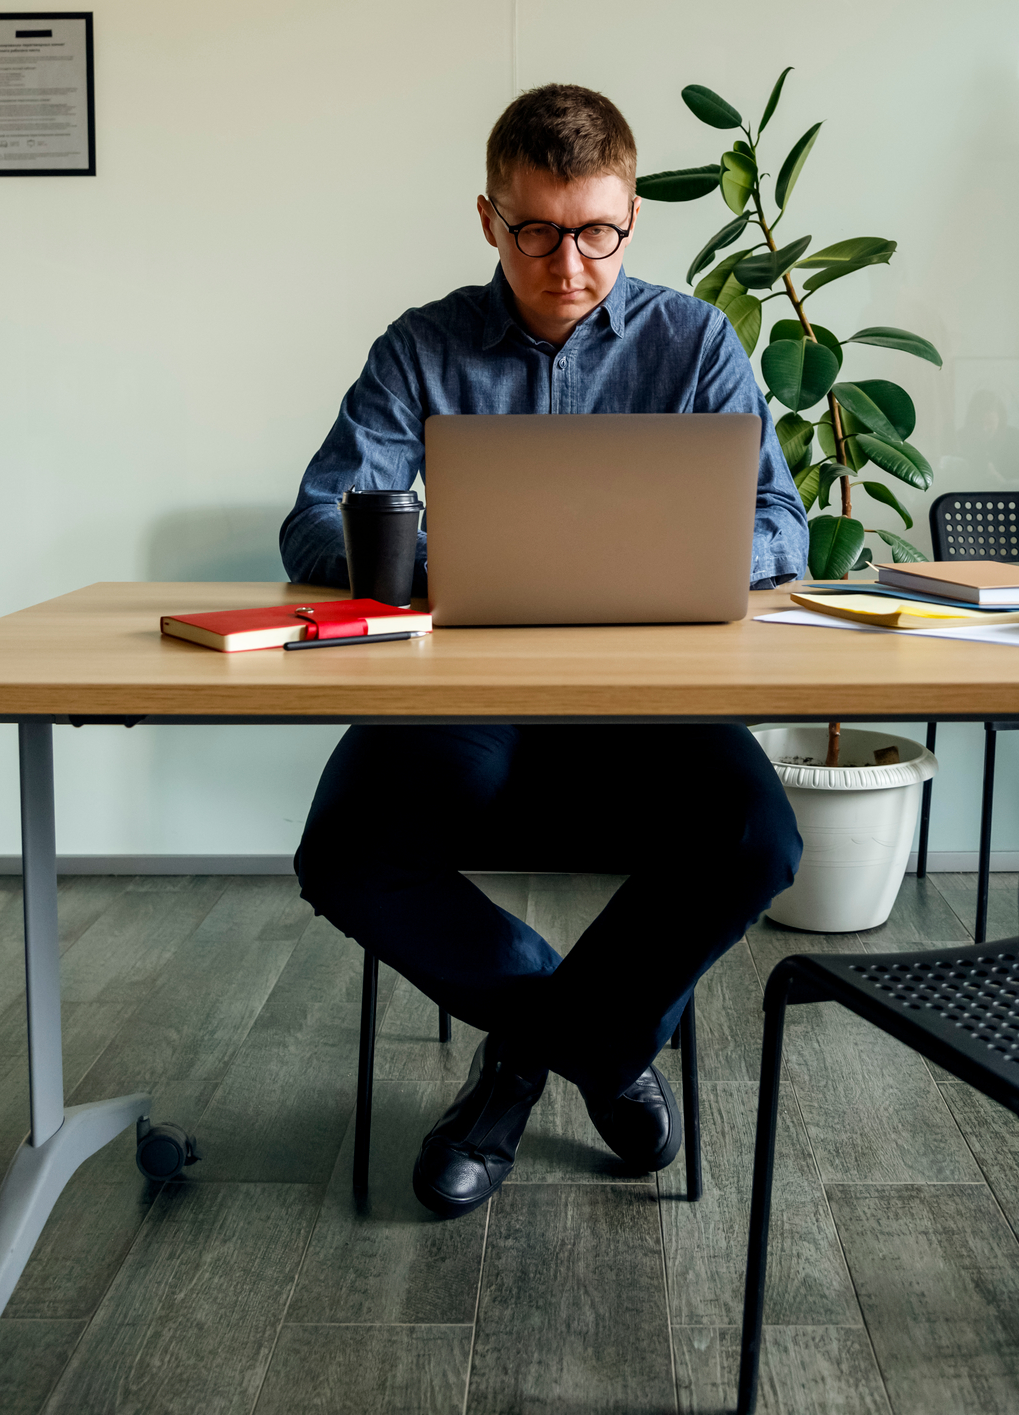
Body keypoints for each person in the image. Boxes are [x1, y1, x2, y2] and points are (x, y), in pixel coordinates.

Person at [281, 83, 808, 1219]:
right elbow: (318, 517)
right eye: (536, 230)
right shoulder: (422, 347)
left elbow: (783, 522)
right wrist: (432, 560)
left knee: (759, 838)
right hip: (461, 691)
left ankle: (519, 1066)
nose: (568, 263)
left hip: (649, 697)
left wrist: (686, 551)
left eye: (596, 232)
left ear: (628, 217)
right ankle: (603, 1050)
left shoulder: (696, 342)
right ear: (488, 217)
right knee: (346, 852)